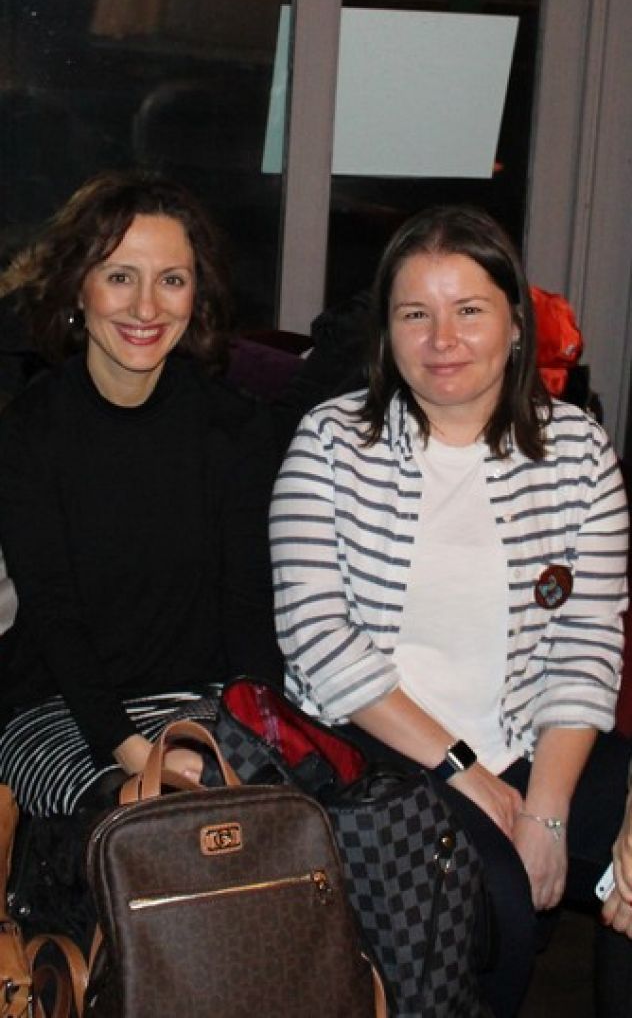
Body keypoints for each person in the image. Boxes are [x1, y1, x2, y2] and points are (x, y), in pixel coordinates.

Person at [269, 204, 630, 1017]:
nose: (442, 340)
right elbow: (320, 641)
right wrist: (466, 772)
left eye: (469, 310)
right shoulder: (331, 443)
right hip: (383, 748)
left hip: (531, 739)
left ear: (515, 324)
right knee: (492, 899)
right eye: (415, 315)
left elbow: (586, 645)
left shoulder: (577, 453)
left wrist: (547, 810)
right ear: (386, 333)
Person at [0, 171, 281, 816]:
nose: (147, 308)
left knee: (275, 815)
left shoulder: (236, 427)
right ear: (79, 286)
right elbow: (55, 619)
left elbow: (249, 611)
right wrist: (137, 753)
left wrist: (248, 739)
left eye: (171, 280)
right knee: (147, 820)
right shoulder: (28, 432)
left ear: (196, 294)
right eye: (121, 277)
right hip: (58, 709)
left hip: (204, 705)